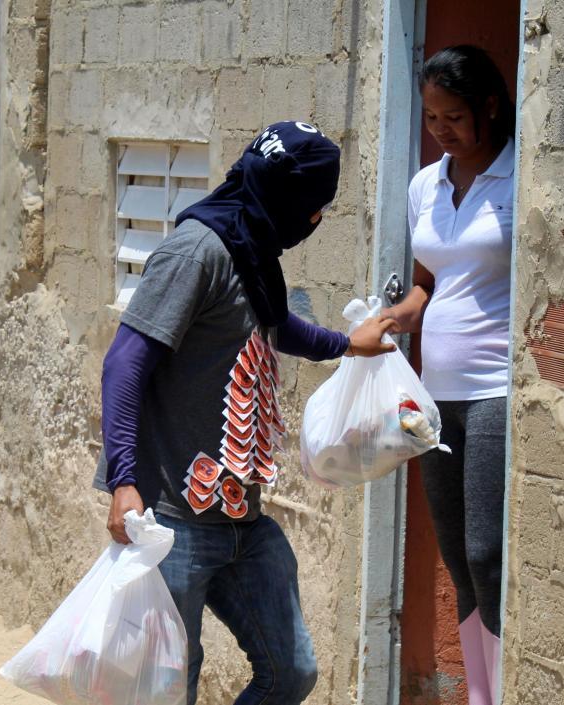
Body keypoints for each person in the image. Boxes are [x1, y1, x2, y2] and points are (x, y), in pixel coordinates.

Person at [95, 122, 397, 705]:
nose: (314, 223)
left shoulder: (252, 248)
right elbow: (123, 366)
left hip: (241, 520)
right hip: (170, 518)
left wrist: (346, 344)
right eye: (316, 209)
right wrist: (123, 481)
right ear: (290, 199)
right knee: (166, 685)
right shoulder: (196, 252)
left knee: (292, 671)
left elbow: (275, 325)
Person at [382, 45, 515, 705]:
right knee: (460, 557)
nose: (442, 130)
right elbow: (428, 285)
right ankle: (479, 694)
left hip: (496, 389)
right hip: (433, 401)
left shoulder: (521, 178)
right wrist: (390, 319)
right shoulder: (425, 186)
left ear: (490, 105)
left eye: (455, 116)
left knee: (489, 554)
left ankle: (499, 691)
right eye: (432, 118)